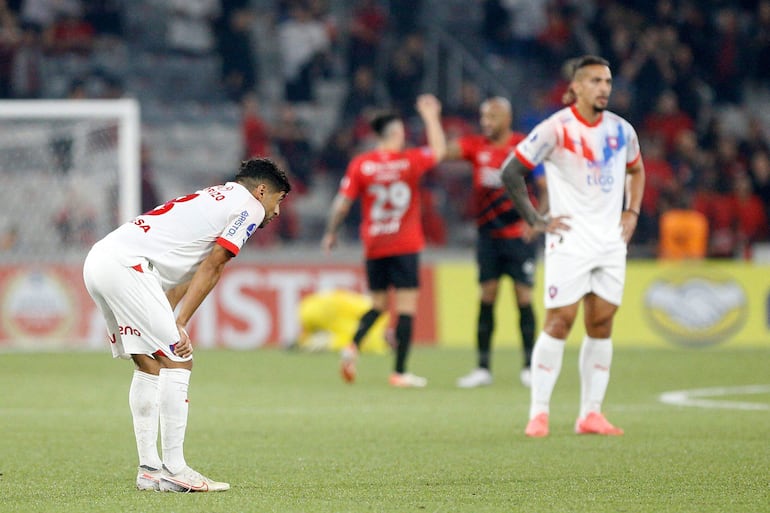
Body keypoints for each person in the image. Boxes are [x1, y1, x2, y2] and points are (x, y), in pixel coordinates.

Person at [82, 158, 291, 491]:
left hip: (101, 260)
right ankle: (176, 468)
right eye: (278, 200)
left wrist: (170, 316)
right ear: (262, 190)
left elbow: (190, 269)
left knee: (149, 362)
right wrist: (179, 323)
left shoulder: (215, 198)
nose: (276, 211)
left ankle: (150, 470)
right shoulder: (249, 207)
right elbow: (214, 266)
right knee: (178, 358)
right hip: (126, 266)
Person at [499, 55, 645, 437]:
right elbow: (511, 170)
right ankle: (539, 413)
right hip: (570, 239)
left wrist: (632, 211)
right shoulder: (556, 128)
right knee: (560, 320)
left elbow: (637, 169)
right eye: (596, 81)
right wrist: (534, 219)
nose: (604, 88)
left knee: (601, 323)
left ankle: (590, 414)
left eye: (608, 82)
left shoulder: (622, 130)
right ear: (577, 86)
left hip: (611, 241)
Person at [321, 94, 446, 388]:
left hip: (375, 245)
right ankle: (400, 372)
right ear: (398, 133)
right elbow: (439, 151)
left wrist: (331, 233)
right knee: (405, 308)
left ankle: (352, 346)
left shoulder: (362, 164)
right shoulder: (409, 161)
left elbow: (342, 204)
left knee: (377, 304)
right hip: (405, 245)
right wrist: (430, 116)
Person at [442, 97, 546, 389]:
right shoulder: (476, 146)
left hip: (518, 236)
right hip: (488, 237)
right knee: (486, 298)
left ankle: (529, 366)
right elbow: (440, 152)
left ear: (507, 118)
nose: (486, 122)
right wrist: (431, 118)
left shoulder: (524, 146)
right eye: (483, 117)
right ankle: (482, 368)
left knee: (523, 298)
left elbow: (544, 187)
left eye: (492, 117)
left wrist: (536, 220)